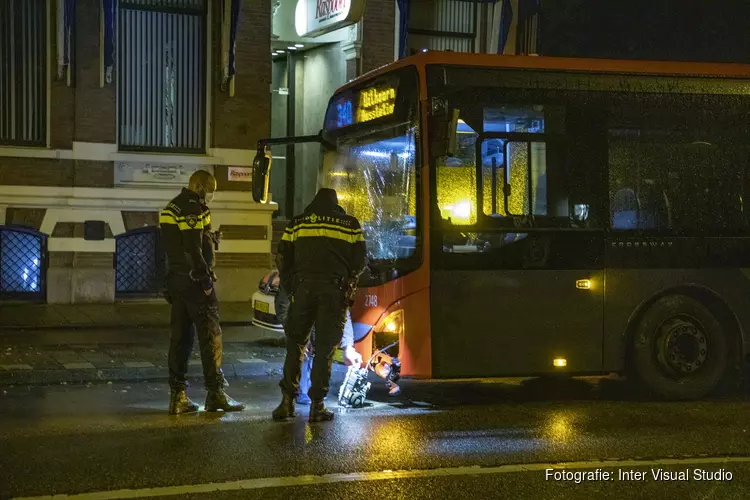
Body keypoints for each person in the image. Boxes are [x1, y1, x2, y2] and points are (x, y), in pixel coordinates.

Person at [272, 188, 367, 422]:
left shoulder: (297, 223)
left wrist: (292, 285)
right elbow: (360, 261)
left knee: (296, 345)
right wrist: (347, 281)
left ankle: (287, 403)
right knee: (324, 350)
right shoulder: (350, 224)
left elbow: (283, 256)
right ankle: (317, 406)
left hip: (303, 289)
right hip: (334, 291)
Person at [160, 170, 245, 415]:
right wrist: (205, 279)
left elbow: (173, 246)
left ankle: (178, 397)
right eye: (210, 189)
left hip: (176, 282)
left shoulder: (171, 207)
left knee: (180, 339)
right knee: (210, 337)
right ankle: (216, 394)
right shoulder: (193, 208)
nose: (211, 195)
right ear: (198, 186)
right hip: (195, 283)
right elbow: (193, 248)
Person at [276, 283, 360, 406]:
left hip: (319, 323)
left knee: (322, 354)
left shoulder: (337, 280)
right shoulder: (296, 275)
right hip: (299, 319)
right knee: (299, 353)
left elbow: (342, 313)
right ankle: (293, 398)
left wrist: (348, 346)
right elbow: (283, 307)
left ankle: (315, 400)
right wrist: (300, 336)